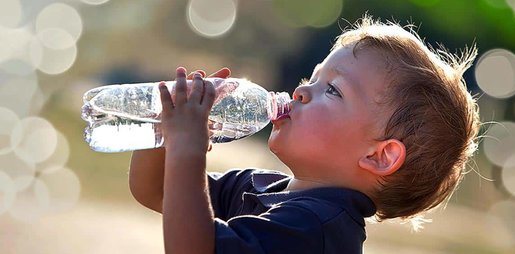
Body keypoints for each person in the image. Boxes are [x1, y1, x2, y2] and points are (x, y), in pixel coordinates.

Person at [128, 15, 480, 254]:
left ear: (379, 155)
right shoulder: (261, 186)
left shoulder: (316, 230)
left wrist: (188, 150)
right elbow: (156, 189)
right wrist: (164, 129)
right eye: (312, 78)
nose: (300, 92)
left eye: (333, 90)